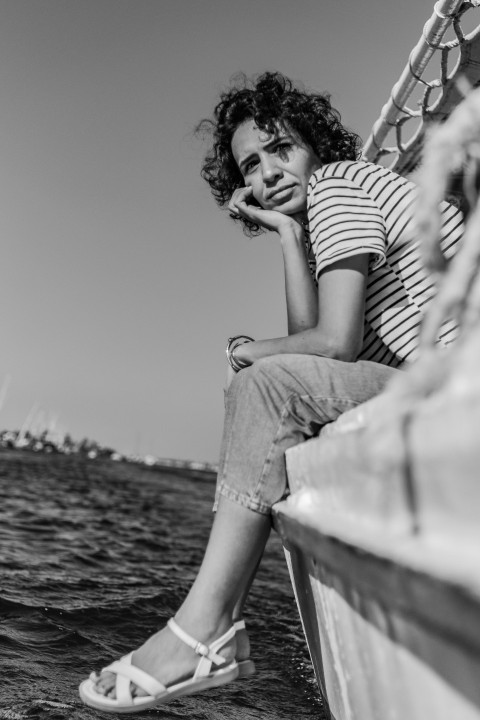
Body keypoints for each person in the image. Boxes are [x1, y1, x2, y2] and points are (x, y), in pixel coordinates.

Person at [79, 72, 463, 712]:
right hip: (437, 377)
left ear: (315, 145)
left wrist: (244, 352)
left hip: (453, 373)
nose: (268, 174)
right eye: (250, 167)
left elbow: (331, 345)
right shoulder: (329, 212)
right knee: (267, 384)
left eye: (281, 149)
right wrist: (286, 234)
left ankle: (204, 627)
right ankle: (210, 623)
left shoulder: (340, 187)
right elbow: (313, 343)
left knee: (260, 385)